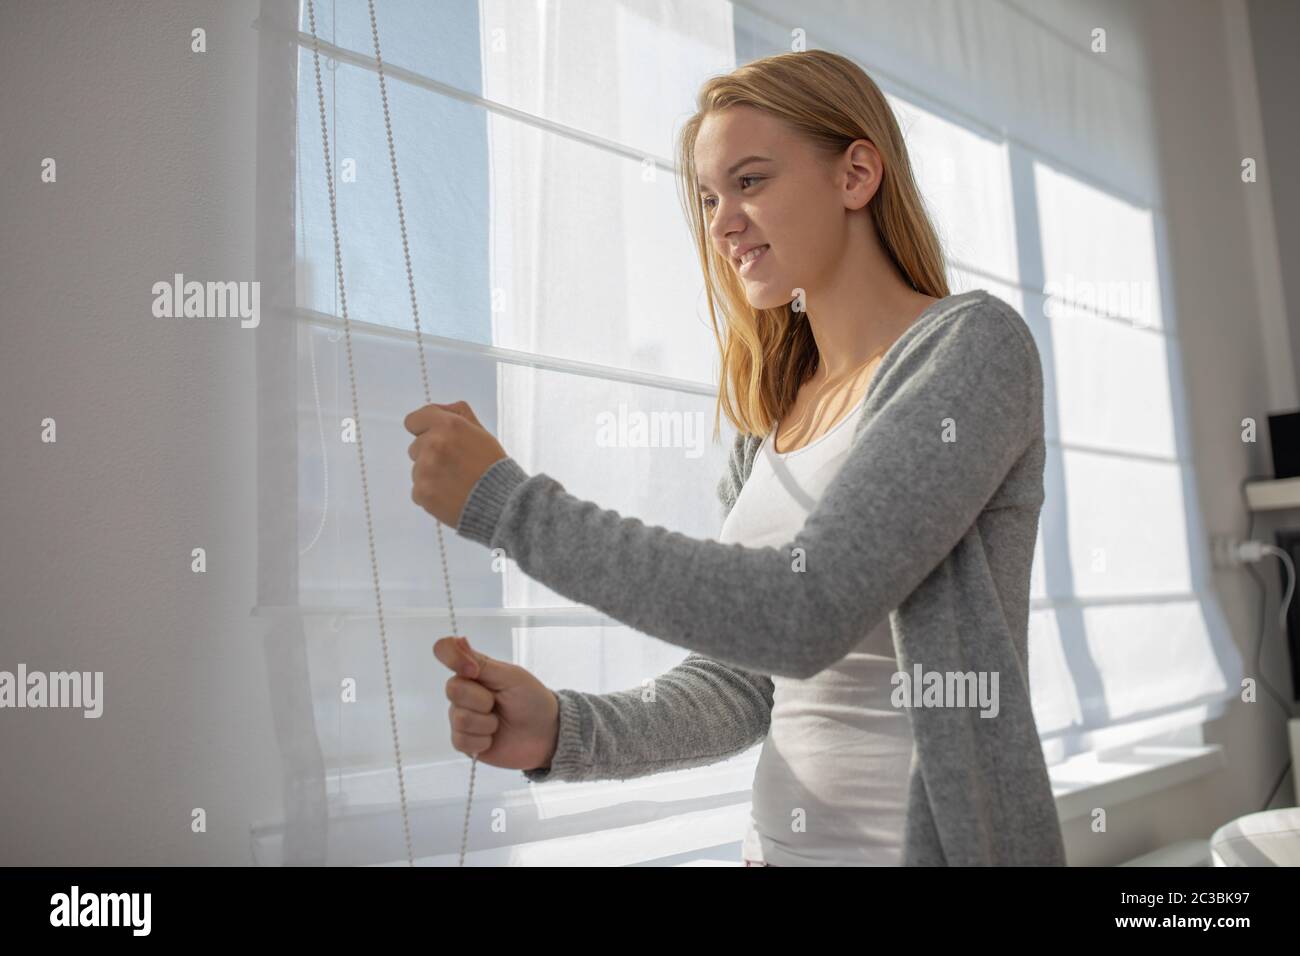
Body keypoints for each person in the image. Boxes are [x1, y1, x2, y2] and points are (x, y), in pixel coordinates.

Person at [408, 49, 1065, 866]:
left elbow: (803, 614)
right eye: (709, 197)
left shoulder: (972, 348)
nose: (720, 223)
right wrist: (564, 729)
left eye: (750, 181)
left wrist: (510, 508)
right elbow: (745, 679)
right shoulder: (769, 421)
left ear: (857, 173)